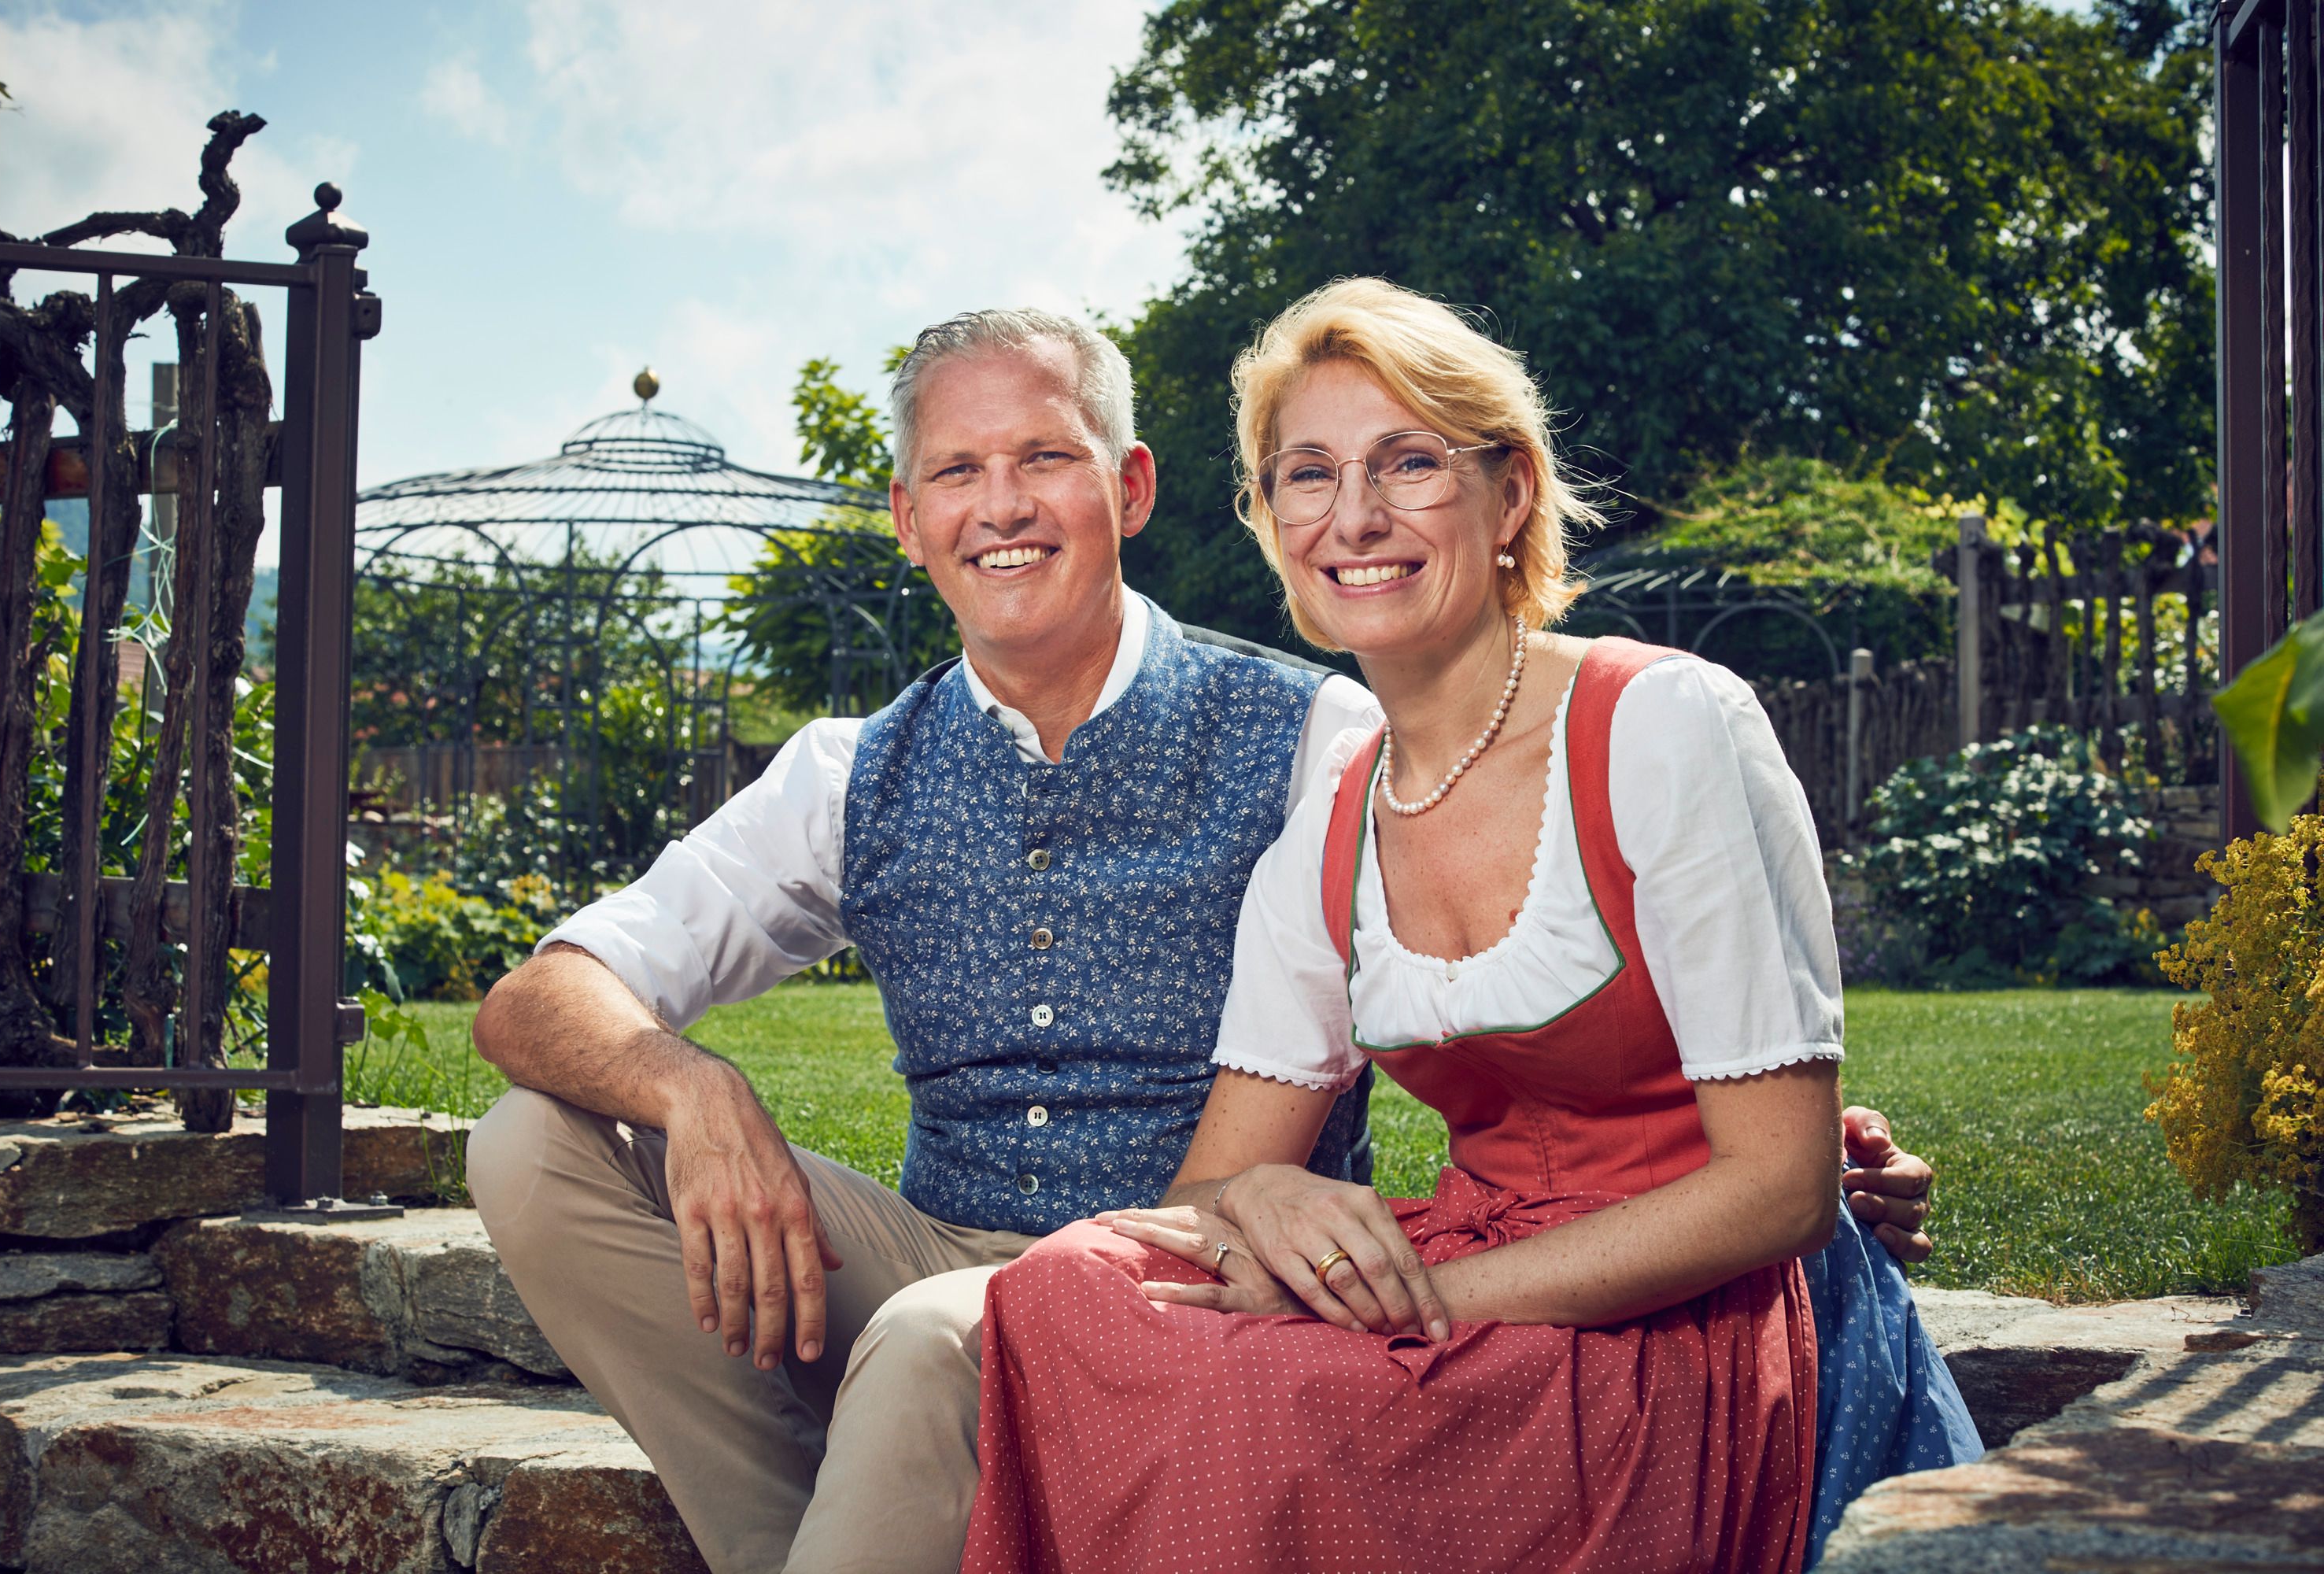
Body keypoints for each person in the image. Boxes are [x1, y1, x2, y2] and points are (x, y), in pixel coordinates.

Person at [465, 307, 1942, 1574]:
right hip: (1002, 1245)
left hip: (1174, 1263)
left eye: (1043, 457)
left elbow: (1623, 1050)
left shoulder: (1331, 734)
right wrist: (691, 1088)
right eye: (957, 472)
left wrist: (1783, 1146)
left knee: (940, 1338)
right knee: (534, 1144)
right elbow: (538, 999)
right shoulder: (853, 769)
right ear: (908, 519)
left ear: (1132, 486)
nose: (1003, 505)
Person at [958, 280, 1981, 1574]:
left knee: (1260, 1400)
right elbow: (1210, 1192)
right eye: (1309, 475)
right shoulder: (1334, 814)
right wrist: (1268, 1194)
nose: (1357, 517)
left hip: (1668, 1314)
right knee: (1059, 1288)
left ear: (1511, 499)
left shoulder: (1662, 727)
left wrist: (1412, 1309)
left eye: (1412, 464)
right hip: (1472, 1255)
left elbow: (1779, 1190)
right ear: (1272, 523)